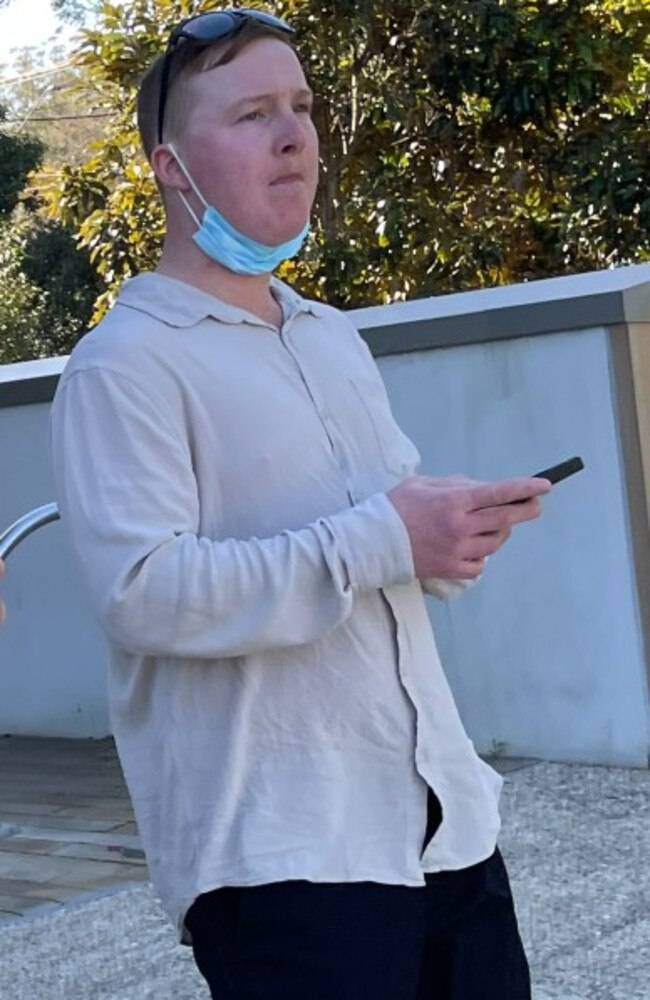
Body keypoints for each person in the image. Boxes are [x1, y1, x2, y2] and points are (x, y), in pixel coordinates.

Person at [48, 8, 552, 999]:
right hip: (281, 862)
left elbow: (383, 533)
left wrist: (444, 535)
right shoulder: (123, 364)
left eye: (302, 108)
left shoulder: (328, 336)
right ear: (169, 166)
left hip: (442, 828)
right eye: (251, 115)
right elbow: (142, 592)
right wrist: (385, 535)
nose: (295, 136)